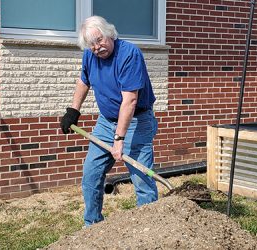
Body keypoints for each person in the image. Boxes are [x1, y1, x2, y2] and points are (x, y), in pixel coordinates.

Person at [60, 16, 158, 227]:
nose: (97, 47)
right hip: (106, 122)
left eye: (99, 40)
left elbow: (130, 101)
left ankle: (150, 229)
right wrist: (73, 111)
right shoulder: (90, 55)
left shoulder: (129, 54)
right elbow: (83, 80)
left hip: (136, 121)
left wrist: (119, 139)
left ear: (110, 33)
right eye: (91, 44)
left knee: (142, 179)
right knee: (91, 174)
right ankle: (92, 226)